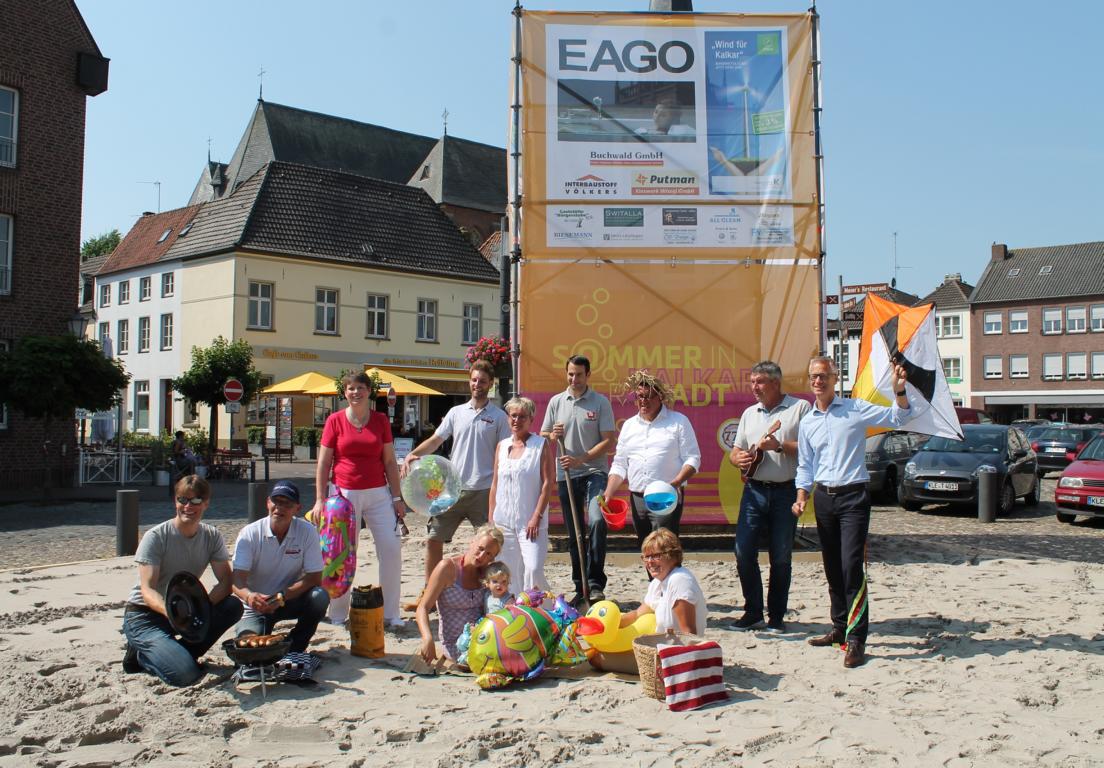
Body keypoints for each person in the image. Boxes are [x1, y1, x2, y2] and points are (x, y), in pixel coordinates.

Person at [793, 356, 911, 669]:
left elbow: (898, 418)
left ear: (835, 378)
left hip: (853, 497)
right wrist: (801, 495)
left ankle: (856, 638)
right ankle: (838, 627)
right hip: (825, 499)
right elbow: (805, 464)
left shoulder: (855, 409)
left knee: (851, 566)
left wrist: (899, 391)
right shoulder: (807, 421)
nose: (818, 381)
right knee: (832, 567)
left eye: (823, 376)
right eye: (813, 376)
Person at [401, 360, 510, 605]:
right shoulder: (456, 413)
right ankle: (429, 593)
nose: (477, 385)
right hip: (452, 491)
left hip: (484, 490)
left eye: (482, 381)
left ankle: (489, 596)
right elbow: (436, 440)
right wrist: (413, 454)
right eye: (474, 380)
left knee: (488, 547)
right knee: (433, 539)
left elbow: (505, 452)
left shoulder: (499, 417)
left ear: (490, 384)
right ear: (469, 381)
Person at [121, 475, 243, 686]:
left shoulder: (211, 536)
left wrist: (202, 606)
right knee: (186, 675)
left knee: (232, 606)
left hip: (184, 610)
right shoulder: (157, 536)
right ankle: (143, 656)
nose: (188, 506)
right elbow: (148, 589)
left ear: (206, 504)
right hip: (146, 615)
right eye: (182, 500)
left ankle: (171, 653)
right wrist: (171, 613)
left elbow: (226, 580)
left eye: (195, 501)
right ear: (175, 501)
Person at [311, 371, 406, 628]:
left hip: (378, 493)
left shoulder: (380, 420)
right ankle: (339, 614)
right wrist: (320, 499)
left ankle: (391, 614)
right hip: (343, 495)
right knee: (340, 554)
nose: (356, 392)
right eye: (351, 388)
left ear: (369, 391)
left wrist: (397, 497)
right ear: (345, 392)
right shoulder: (335, 421)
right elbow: (323, 464)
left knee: (391, 549)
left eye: (360, 388)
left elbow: (389, 461)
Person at [727, 360, 811, 633]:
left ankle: (776, 617)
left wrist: (780, 446)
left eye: (759, 382)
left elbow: (811, 448)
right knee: (743, 552)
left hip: (786, 490)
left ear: (776, 383)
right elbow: (735, 451)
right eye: (752, 382)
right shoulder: (750, 413)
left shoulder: (800, 409)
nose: (754, 387)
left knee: (781, 556)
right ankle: (753, 612)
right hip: (754, 490)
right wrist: (737, 458)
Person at [539, 354, 616, 605]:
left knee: (596, 521)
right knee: (575, 533)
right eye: (571, 374)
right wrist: (553, 434)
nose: (574, 379)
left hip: (594, 472)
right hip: (566, 475)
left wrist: (581, 459)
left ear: (588, 375)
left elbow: (608, 440)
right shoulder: (556, 401)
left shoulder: (600, 402)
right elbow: (544, 432)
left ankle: (595, 584)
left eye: (579, 374)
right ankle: (580, 586)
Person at [602, 370, 701, 547]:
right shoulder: (629, 426)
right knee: (646, 548)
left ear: (660, 397)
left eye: (648, 397)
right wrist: (608, 493)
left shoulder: (679, 422)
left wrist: (675, 484)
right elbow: (619, 464)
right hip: (638, 497)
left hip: (667, 496)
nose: (643, 401)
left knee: (665, 548)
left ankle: (669, 576)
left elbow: (693, 459)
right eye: (639, 396)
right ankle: (653, 577)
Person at [231, 480, 330, 652]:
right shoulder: (250, 533)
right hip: (255, 605)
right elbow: (236, 579)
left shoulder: (308, 532)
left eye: (287, 503)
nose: (280, 508)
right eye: (276, 501)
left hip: (288, 600)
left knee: (319, 597)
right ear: (268, 502)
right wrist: (249, 597)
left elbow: (315, 577)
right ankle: (266, 637)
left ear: (297, 508)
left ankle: (296, 645)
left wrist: (282, 595)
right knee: (250, 651)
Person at [489, 396, 556, 595]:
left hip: (530, 523)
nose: (517, 420)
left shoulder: (539, 445)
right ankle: (513, 610)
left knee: (533, 568)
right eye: (513, 416)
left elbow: (547, 483)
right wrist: (491, 519)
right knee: (507, 571)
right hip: (503, 521)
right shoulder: (501, 446)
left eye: (522, 416)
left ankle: (541, 607)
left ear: (531, 419)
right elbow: (495, 484)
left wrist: (536, 516)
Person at [416, 524, 504, 663]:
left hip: (484, 637)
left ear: (493, 558)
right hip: (457, 644)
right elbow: (423, 607)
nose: (481, 556)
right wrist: (428, 639)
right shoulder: (447, 568)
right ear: (472, 542)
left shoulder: (487, 573)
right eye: (480, 549)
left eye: (488, 554)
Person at [617, 528, 707, 635]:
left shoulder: (679, 580)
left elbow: (689, 634)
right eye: (646, 557)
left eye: (656, 556)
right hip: (665, 646)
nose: (650, 561)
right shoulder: (657, 583)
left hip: (680, 649)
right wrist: (610, 624)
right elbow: (637, 614)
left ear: (672, 555)